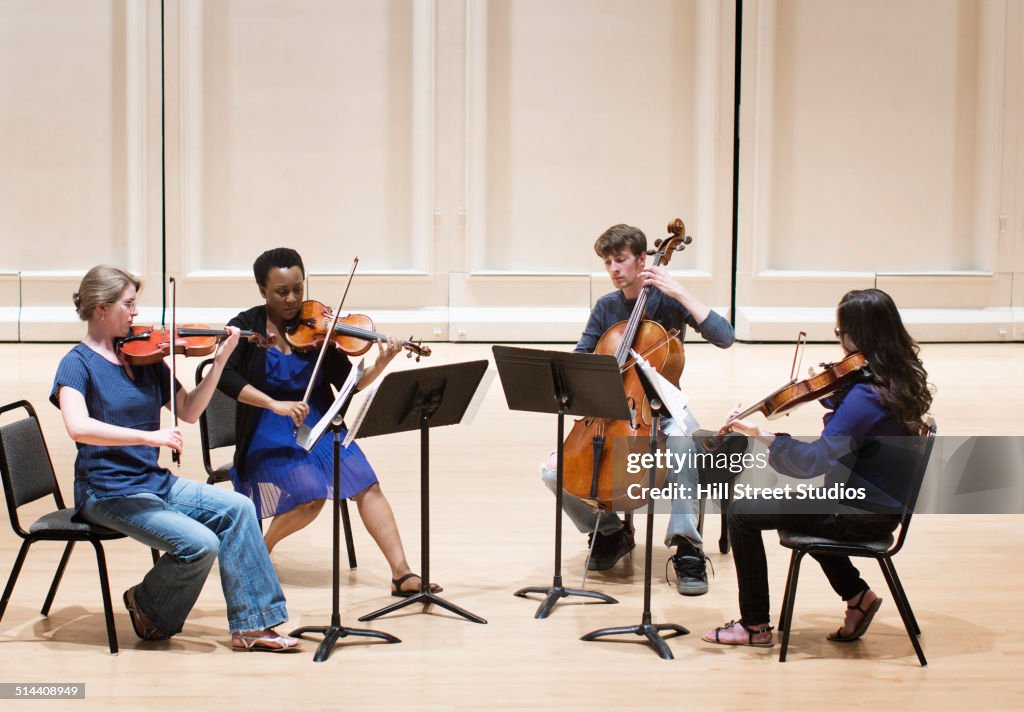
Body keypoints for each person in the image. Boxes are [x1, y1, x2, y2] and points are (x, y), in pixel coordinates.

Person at [52, 265, 299, 652]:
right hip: (106, 491)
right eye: (128, 305)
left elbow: (188, 410)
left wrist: (220, 363)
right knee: (201, 543)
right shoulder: (76, 364)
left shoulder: (143, 358)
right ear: (101, 308)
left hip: (151, 482)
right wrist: (149, 435)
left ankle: (252, 626)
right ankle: (148, 606)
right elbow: (78, 427)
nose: (136, 314)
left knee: (238, 508)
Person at [702, 288, 932, 647]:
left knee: (741, 512)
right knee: (802, 507)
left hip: (858, 512)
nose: (839, 341)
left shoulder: (866, 397)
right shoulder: (892, 380)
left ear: (861, 333)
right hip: (875, 503)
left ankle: (754, 626)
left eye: (841, 333)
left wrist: (763, 435)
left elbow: (812, 461)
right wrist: (829, 392)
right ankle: (858, 596)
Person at [218, 247, 440, 598]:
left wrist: (381, 363)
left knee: (367, 484)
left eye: (298, 289)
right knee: (309, 497)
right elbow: (223, 379)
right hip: (266, 427)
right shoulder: (245, 327)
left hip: (318, 423)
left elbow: (348, 384)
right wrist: (273, 403)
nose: (292, 299)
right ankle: (261, 548)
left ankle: (402, 573)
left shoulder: (317, 329)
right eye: (281, 292)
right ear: (262, 290)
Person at [541, 223, 735, 594]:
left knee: (680, 448)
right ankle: (612, 532)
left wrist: (677, 289)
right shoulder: (606, 308)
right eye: (608, 262)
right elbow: (581, 359)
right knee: (552, 472)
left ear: (643, 259)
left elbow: (724, 337)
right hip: (613, 414)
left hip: (665, 410)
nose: (614, 269)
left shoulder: (668, 300)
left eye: (621, 260)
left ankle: (687, 547)